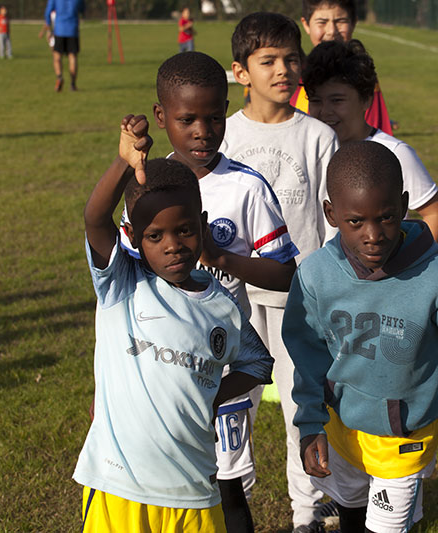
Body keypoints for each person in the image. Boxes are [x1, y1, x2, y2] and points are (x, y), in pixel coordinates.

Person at [119, 51, 299, 533]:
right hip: (152, 371)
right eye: (187, 119)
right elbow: (122, 272)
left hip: (218, 365)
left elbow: (285, 275)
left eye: (214, 117)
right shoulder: (146, 186)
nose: (203, 130)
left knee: (225, 483)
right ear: (161, 117)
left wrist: (223, 260)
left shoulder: (246, 187)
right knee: (161, 483)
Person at [283, 141, 438, 533]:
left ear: (403, 206)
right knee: (350, 509)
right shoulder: (315, 275)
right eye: (356, 222)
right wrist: (311, 421)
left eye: (385, 218)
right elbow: (308, 354)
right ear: (331, 213)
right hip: (340, 423)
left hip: (405, 431)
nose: (373, 235)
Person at [76, 114, 273, 532]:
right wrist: (122, 163)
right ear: (131, 236)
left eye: (184, 230)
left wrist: (211, 395)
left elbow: (259, 364)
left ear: (202, 225)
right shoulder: (122, 284)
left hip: (195, 490)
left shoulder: (220, 304)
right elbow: (95, 220)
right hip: (119, 485)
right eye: (154, 236)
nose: (172, 246)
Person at [223, 12, 339, 532]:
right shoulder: (222, 135)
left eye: (292, 59)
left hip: (301, 299)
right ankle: (230, 504)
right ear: (240, 72)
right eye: (267, 60)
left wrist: (332, 285)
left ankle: (306, 513)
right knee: (233, 409)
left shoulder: (317, 135)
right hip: (234, 302)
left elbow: (332, 221)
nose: (283, 70)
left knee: (302, 410)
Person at [302, 39, 438, 244]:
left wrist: (412, 265)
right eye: (316, 100)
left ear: (366, 100)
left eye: (337, 100)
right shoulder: (306, 150)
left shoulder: (394, 153)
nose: (325, 111)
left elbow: (435, 213)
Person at [293, 0, 393, 134]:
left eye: (340, 21)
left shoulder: (361, 76)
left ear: (354, 23)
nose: (332, 31)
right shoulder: (292, 75)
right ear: (306, 24)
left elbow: (375, 134)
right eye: (322, 22)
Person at [45, 0, 84, 91]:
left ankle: (59, 77)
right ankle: (73, 84)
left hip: (59, 29)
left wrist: (48, 29)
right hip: (72, 30)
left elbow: (48, 12)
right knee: (72, 57)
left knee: (57, 56)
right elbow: (82, 9)